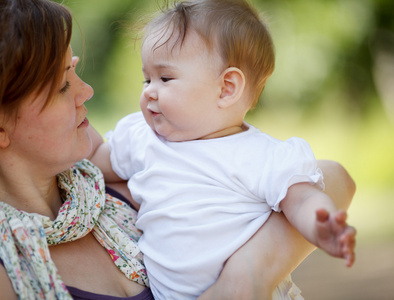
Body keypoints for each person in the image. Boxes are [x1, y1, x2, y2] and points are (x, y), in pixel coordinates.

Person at [0, 0, 355, 299]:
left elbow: (333, 177)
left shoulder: (111, 192)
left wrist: (244, 281)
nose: (86, 91)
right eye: (63, 85)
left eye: (76, 70)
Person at [90, 0, 357, 299]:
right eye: (146, 78)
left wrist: (321, 226)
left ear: (227, 88)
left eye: (165, 78)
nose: (149, 90)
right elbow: (93, 159)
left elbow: (303, 198)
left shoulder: (259, 155)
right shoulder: (142, 139)